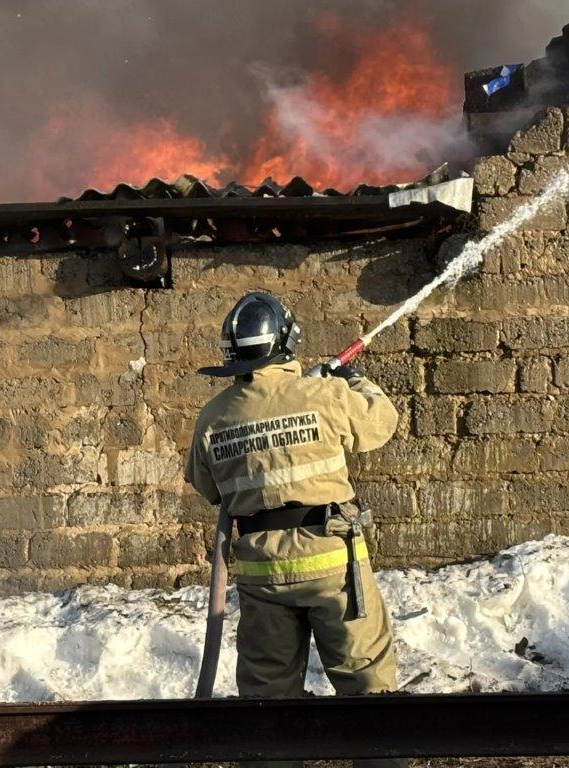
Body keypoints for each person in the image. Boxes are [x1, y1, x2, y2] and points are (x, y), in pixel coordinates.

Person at [185, 291, 405, 768]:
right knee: (368, 685)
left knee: (268, 704)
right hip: (333, 567)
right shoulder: (323, 395)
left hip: (261, 574)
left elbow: (209, 488)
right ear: (287, 342)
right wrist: (352, 377)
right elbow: (380, 423)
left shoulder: (214, 416)